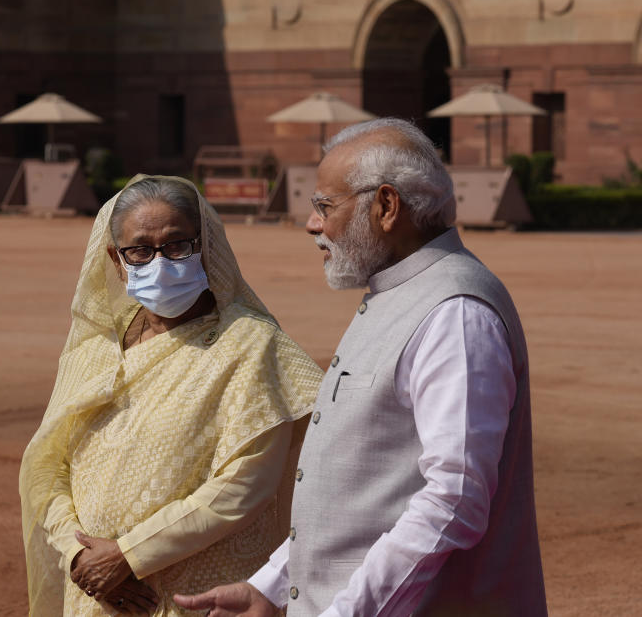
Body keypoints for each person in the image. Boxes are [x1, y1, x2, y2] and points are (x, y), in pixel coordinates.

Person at [174, 119, 547, 617]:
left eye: (325, 206)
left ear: (386, 206)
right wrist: (274, 586)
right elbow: (361, 492)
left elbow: (453, 501)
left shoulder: (454, 313)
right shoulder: (401, 293)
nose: (313, 225)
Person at [19, 175, 324, 616]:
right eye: (140, 250)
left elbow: (243, 484)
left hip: (197, 595)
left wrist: (127, 555)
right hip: (95, 594)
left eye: (178, 245)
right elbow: (49, 467)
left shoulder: (252, 345)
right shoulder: (95, 351)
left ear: (207, 247)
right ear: (116, 260)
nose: (160, 262)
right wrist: (80, 557)